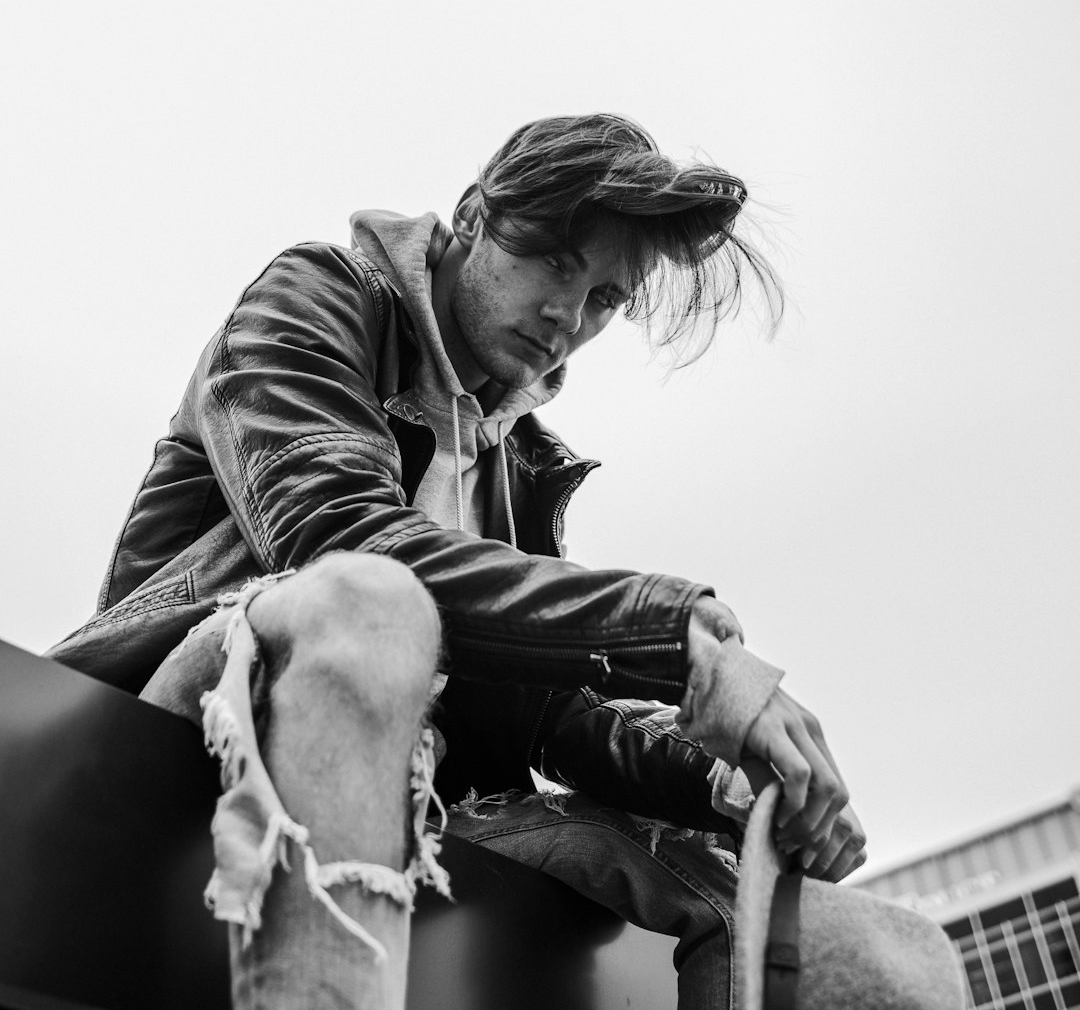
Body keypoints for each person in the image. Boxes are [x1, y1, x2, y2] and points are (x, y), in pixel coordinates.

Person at [48, 114, 944, 1009]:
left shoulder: (516, 466)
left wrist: (726, 774)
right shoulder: (319, 296)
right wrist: (677, 632)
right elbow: (335, 538)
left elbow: (549, 714)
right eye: (556, 262)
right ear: (475, 217)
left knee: (872, 949)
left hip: (427, 809)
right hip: (184, 735)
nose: (569, 315)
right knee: (366, 599)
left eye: (604, 299)